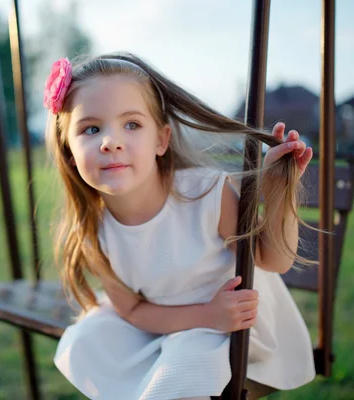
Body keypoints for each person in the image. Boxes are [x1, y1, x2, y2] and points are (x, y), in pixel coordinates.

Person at [44, 53, 316, 400]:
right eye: (91, 128)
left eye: (131, 124)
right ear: (68, 150)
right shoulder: (93, 231)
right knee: (84, 341)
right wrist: (203, 315)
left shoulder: (206, 194)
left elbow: (272, 260)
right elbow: (132, 310)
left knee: (182, 371)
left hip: (231, 323)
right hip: (167, 322)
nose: (110, 141)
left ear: (161, 139)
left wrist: (279, 191)